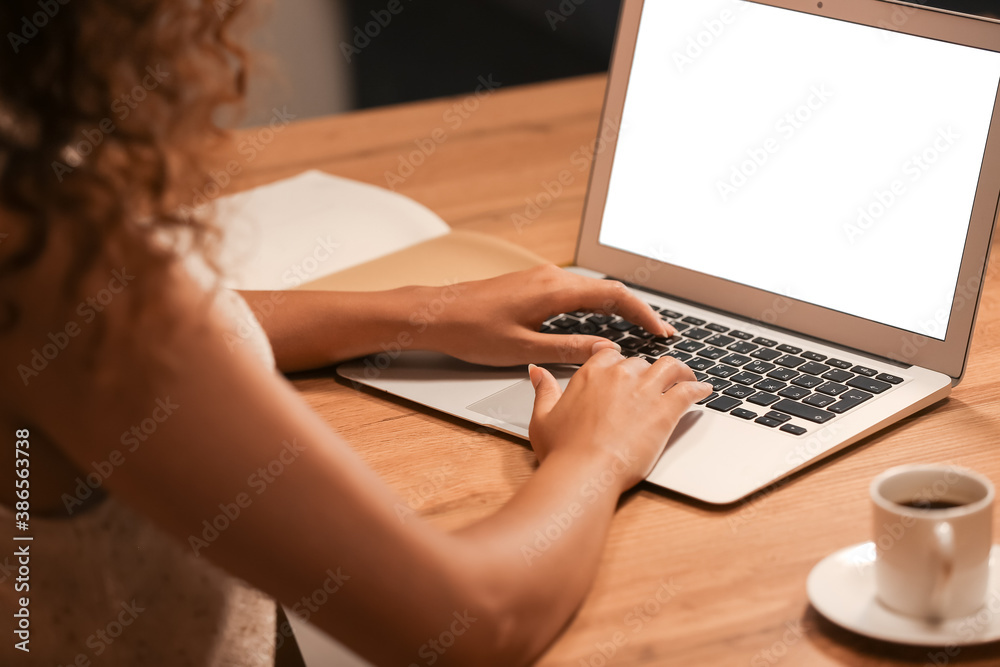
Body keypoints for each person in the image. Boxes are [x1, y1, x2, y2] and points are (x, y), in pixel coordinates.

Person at [0, 1, 710, 665]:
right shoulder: (64, 269)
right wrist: (597, 453)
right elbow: (472, 621)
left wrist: (417, 311)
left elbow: (146, 344)